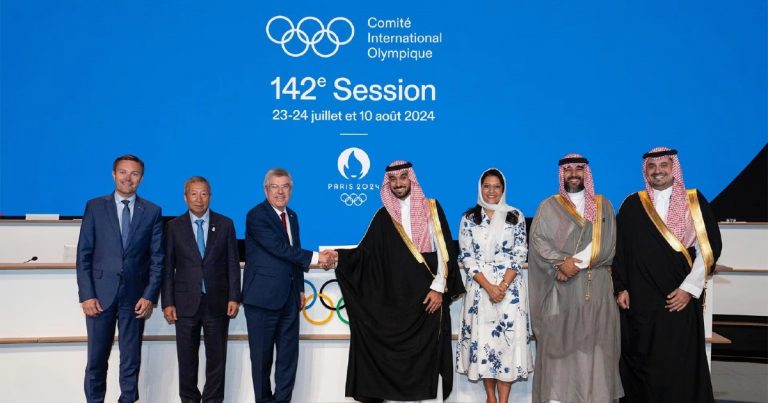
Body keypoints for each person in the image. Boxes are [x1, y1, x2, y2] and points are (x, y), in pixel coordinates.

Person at [333, 160, 465, 403]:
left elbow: (444, 251)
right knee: (387, 357)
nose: (398, 184)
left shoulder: (431, 208)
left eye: (403, 177)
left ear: (411, 179)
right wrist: (337, 257)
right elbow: (364, 255)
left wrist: (438, 289)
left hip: (426, 299)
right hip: (395, 302)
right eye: (392, 179)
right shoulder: (383, 216)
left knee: (422, 362)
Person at [612, 147, 722, 402]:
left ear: (674, 168)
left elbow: (708, 249)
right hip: (639, 301)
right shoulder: (632, 204)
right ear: (645, 170)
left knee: (678, 361)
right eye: (652, 166)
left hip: (677, 299)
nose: (657, 171)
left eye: (663, 165)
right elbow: (620, 250)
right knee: (641, 359)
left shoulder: (694, 201)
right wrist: (620, 287)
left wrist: (688, 290)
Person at [528, 153, 623, 403]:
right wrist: (562, 263)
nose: (573, 174)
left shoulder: (603, 205)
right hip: (560, 291)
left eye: (578, 169)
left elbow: (607, 244)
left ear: (586, 173)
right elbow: (538, 241)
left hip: (596, 290)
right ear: (561, 174)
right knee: (560, 350)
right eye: (567, 169)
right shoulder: (548, 206)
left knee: (595, 351)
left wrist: (573, 264)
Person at [241, 168, 335, 403]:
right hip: (262, 300)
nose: (280, 192)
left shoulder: (291, 216)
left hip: (289, 299)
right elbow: (279, 249)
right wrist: (317, 257)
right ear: (266, 190)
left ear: (291, 190)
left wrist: (300, 288)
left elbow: (294, 254)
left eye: (285, 187)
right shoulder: (256, 215)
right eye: (275, 186)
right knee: (261, 361)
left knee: (288, 360)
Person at [76, 154, 164, 403]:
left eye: (134, 173)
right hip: (99, 297)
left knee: (131, 359)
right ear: (114, 174)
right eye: (123, 172)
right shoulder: (95, 207)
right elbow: (84, 254)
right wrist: (87, 295)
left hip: (135, 298)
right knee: (96, 359)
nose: (128, 178)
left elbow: (157, 258)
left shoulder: (153, 211)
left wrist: (149, 296)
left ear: (141, 178)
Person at [455, 168, 533, 403]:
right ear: (480, 188)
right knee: (485, 343)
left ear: (503, 189)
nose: (491, 191)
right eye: (487, 186)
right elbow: (466, 256)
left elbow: (520, 253)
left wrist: (503, 285)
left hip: (510, 290)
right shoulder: (469, 218)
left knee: (506, 345)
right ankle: (490, 397)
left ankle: (504, 400)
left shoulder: (515, 215)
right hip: (480, 288)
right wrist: (489, 287)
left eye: (496, 186)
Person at [161, 176, 241, 403]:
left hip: (217, 302)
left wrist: (234, 296)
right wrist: (168, 302)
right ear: (185, 197)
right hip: (184, 304)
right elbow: (167, 267)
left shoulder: (225, 224)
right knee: (187, 360)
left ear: (210, 196)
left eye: (204, 194)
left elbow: (232, 263)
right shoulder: (173, 227)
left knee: (217, 359)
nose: (199, 199)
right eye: (194, 194)